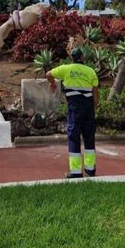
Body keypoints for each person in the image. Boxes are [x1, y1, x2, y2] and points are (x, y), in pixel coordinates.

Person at [46, 48, 99, 178]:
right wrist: (95, 107)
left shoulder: (66, 69)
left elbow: (48, 74)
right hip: (88, 107)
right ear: (83, 58)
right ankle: (90, 169)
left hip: (75, 107)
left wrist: (53, 84)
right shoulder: (91, 71)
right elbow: (95, 93)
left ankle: (76, 172)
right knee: (89, 137)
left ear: (72, 58)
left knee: (74, 136)